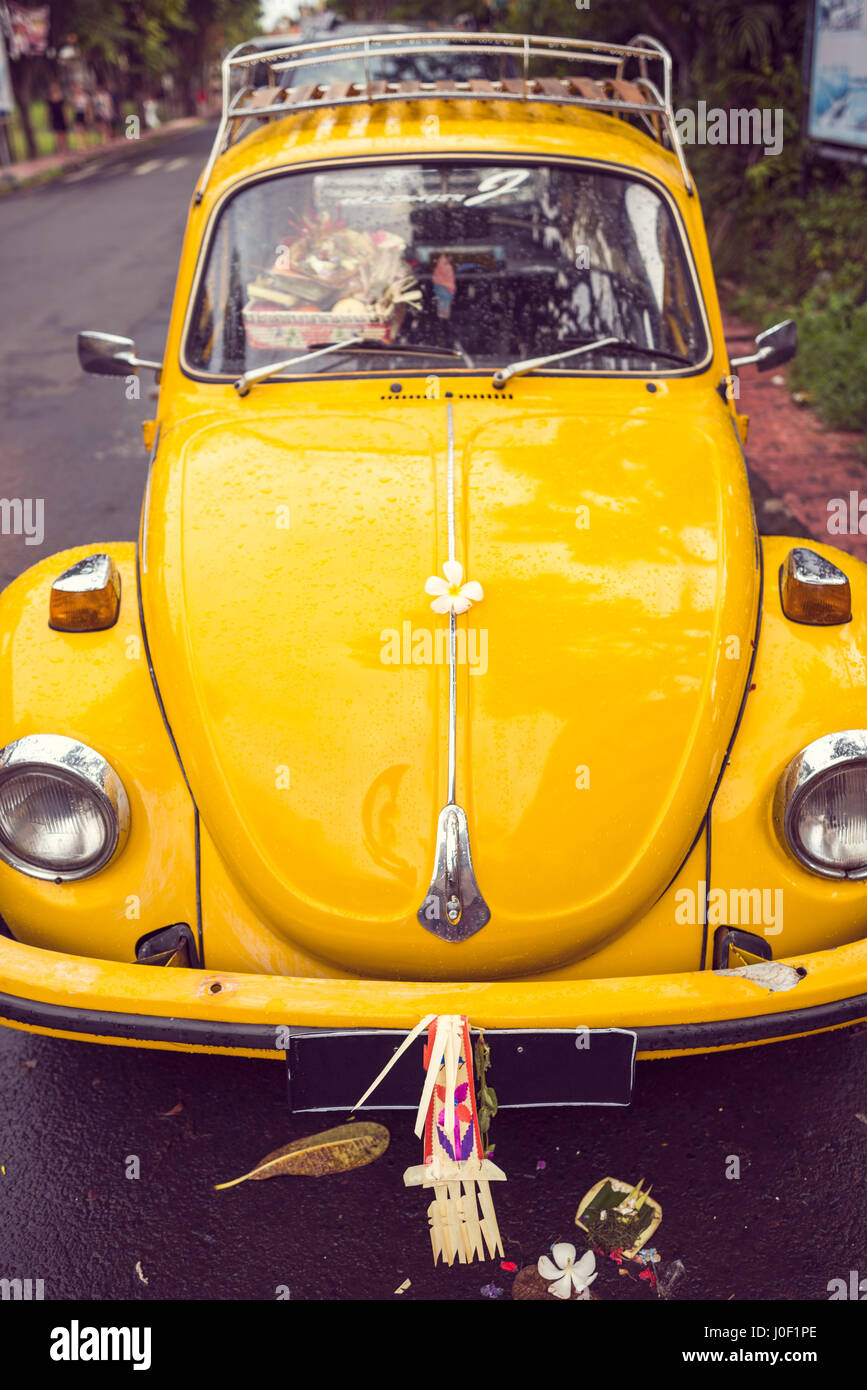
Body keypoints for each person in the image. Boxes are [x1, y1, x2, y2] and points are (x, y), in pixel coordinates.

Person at [46, 81, 69, 154]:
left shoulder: (61, 98)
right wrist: (48, 118)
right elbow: (48, 110)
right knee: (57, 134)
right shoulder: (49, 100)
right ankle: (60, 149)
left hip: (61, 117)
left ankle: (65, 148)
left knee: (63, 133)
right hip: (54, 118)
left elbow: (64, 109)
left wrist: (66, 117)